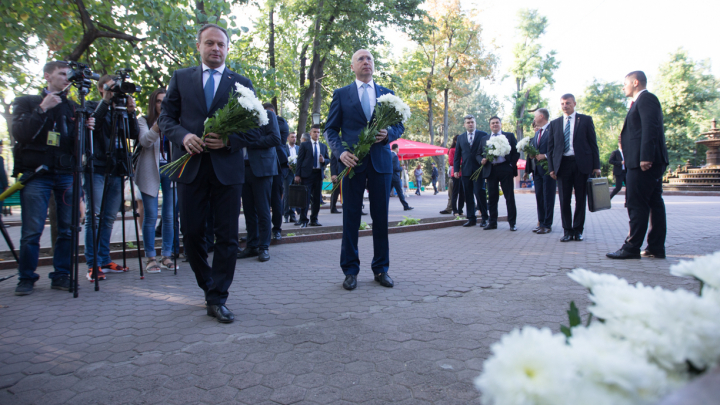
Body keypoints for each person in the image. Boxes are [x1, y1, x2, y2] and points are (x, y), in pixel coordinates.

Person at [158, 23, 260, 323]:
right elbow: (166, 118)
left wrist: (230, 140)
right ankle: (207, 285)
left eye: (221, 44)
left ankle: (218, 296)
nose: (216, 48)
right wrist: (182, 136)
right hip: (191, 168)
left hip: (227, 171)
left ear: (227, 49)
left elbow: (255, 130)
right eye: (210, 43)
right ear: (199, 46)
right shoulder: (180, 78)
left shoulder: (241, 84)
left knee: (227, 237)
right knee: (191, 235)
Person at [11, 61, 95, 295]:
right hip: (36, 174)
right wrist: (42, 109)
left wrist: (86, 129)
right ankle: (26, 277)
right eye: (61, 74)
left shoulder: (74, 107)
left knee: (68, 229)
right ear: (47, 76)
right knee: (32, 230)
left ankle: (61, 275)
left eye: (69, 74)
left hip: (67, 174)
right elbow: (20, 133)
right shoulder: (27, 102)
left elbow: (79, 149)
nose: (66, 78)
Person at [325, 49, 405, 291]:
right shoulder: (341, 95)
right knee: (351, 219)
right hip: (352, 165)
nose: (366, 62)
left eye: (369, 58)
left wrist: (388, 134)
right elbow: (330, 130)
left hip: (381, 164)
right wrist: (340, 152)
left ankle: (381, 269)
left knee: (381, 219)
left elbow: (399, 125)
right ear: (353, 66)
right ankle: (350, 271)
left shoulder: (387, 95)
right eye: (360, 59)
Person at [607, 71, 668, 260]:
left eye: (625, 84)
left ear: (635, 82)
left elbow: (651, 127)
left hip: (643, 163)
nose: (623, 88)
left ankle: (632, 248)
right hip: (643, 161)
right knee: (654, 203)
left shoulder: (646, 99)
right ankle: (656, 248)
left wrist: (645, 157)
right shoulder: (640, 102)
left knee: (637, 204)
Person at [84, 74, 140, 280]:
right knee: (95, 216)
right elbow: (93, 127)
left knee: (108, 218)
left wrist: (131, 112)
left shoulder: (121, 110)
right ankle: (93, 264)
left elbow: (133, 135)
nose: (118, 92)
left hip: (117, 168)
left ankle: (104, 259)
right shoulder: (92, 106)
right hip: (97, 167)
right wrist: (106, 100)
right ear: (101, 88)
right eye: (113, 88)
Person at [547, 94, 601, 242]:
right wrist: (551, 168)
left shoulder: (585, 120)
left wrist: (597, 166)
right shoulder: (555, 123)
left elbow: (593, 144)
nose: (565, 106)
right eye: (563, 103)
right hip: (563, 165)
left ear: (574, 103)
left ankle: (578, 230)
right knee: (564, 200)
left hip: (582, 165)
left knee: (580, 199)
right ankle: (567, 231)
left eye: (568, 103)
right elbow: (550, 149)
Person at [237, 110, 281, 261]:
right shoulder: (239, 116)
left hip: (262, 168)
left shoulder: (267, 115)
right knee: (249, 211)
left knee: (263, 210)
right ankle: (252, 246)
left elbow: (275, 138)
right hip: (243, 168)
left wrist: (249, 142)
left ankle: (264, 247)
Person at [477, 116, 519, 231]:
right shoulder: (484, 139)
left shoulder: (509, 136)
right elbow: (478, 153)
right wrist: (481, 160)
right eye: (492, 123)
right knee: (492, 197)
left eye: (497, 123)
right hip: (491, 170)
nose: (495, 125)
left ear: (501, 124)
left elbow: (516, 152)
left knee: (509, 197)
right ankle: (492, 222)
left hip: (505, 169)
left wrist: (511, 165)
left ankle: (512, 223)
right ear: (490, 126)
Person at [454, 114, 489, 227]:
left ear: (475, 123)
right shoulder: (460, 137)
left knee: (479, 193)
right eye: (468, 122)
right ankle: (471, 218)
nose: (470, 124)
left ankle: (484, 218)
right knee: (468, 195)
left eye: (472, 122)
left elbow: (487, 150)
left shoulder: (483, 135)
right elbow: (457, 155)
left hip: (479, 169)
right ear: (464, 125)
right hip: (466, 170)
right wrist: (456, 169)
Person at [263, 103, 289, 240]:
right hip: (264, 164)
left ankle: (277, 229)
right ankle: (262, 230)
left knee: (276, 199)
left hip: (278, 164)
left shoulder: (280, 121)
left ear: (271, 111)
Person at [294, 125, 329, 227]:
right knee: (305, 197)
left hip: (318, 175)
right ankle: (303, 220)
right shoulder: (305, 145)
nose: (316, 134)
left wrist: (324, 161)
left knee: (317, 199)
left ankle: (314, 219)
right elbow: (299, 160)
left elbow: (328, 159)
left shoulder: (323, 146)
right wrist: (297, 175)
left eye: (318, 132)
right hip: (306, 175)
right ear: (310, 133)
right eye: (314, 132)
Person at [530, 108, 555, 234]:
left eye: (535, 116)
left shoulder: (553, 129)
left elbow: (558, 147)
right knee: (539, 196)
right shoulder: (537, 133)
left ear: (541, 116)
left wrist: (545, 156)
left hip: (548, 169)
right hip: (538, 170)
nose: (534, 119)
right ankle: (541, 222)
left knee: (548, 197)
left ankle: (547, 224)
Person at [283, 132, 300, 222]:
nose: (294, 139)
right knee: (287, 194)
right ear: (288, 138)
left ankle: (293, 214)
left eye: (295, 137)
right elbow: (281, 159)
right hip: (287, 174)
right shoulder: (284, 148)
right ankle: (286, 215)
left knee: (294, 194)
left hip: (296, 174)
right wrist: (287, 165)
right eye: (292, 137)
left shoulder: (298, 148)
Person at [391, 144, 413, 211]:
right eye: (398, 148)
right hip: (395, 177)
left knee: (387, 193)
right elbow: (396, 168)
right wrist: (402, 168)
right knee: (400, 192)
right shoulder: (395, 156)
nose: (399, 150)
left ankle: (381, 206)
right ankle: (405, 206)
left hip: (390, 176)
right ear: (396, 148)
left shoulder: (389, 155)